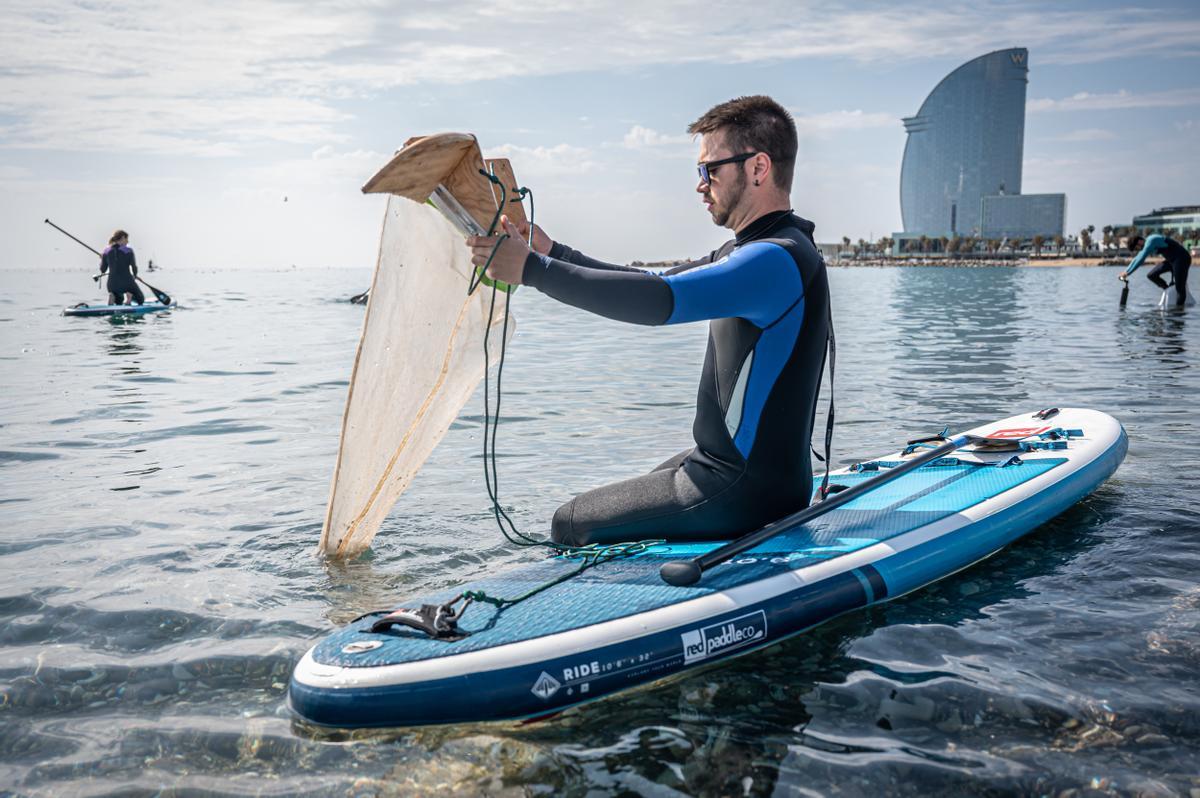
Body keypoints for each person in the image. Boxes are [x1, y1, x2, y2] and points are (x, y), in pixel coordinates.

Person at [467, 95, 831, 546]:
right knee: (653, 480)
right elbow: (655, 278)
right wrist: (552, 253)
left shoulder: (772, 260)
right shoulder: (766, 248)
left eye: (710, 169)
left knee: (571, 522)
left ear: (758, 168)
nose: (700, 184)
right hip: (754, 475)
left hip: (743, 488)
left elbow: (659, 299)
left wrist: (531, 271)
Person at [1120, 232, 1191, 307]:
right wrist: (1126, 271)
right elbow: (1137, 258)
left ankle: (1179, 313)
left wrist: (1128, 273)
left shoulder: (1151, 241)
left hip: (1182, 259)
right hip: (1171, 261)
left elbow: (1141, 259)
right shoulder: (1146, 244)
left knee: (1180, 289)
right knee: (1151, 275)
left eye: (1137, 248)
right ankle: (1168, 289)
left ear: (1139, 242)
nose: (1138, 250)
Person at [99, 230, 144, 305]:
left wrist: (102, 259)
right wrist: (135, 276)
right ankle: (129, 296)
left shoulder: (106, 251)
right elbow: (134, 267)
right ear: (123, 238)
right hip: (127, 283)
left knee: (119, 301)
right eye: (127, 239)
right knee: (140, 300)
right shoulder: (128, 250)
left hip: (112, 285)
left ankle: (112, 295)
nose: (128, 241)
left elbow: (103, 270)